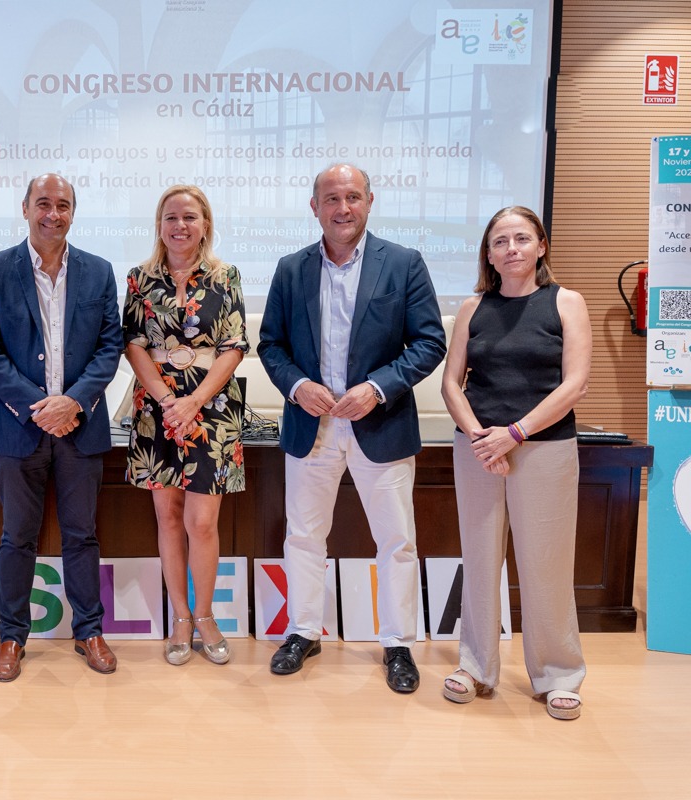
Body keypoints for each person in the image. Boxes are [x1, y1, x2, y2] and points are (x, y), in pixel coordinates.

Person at [258, 163, 446, 693]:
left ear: (369, 201)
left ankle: (398, 644)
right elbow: (270, 345)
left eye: (353, 197)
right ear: (314, 206)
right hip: (311, 427)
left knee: (395, 540)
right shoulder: (291, 268)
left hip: (379, 423)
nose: (344, 208)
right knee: (303, 537)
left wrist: (378, 387)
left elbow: (430, 342)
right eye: (332, 198)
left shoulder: (404, 264)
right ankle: (302, 631)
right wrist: (298, 386)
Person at [0, 173, 123, 682]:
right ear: (25, 208)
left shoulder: (99, 272)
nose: (52, 213)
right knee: (17, 537)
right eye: (43, 204)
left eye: (62, 205)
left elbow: (109, 348)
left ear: (73, 212)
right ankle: (12, 636)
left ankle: (89, 631)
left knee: (82, 534)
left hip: (82, 427)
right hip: (17, 427)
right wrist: (39, 406)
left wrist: (74, 404)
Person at [440, 206, 590, 720]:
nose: (511, 249)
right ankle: (476, 667)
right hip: (478, 449)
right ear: (489, 253)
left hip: (543, 448)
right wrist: (485, 439)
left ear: (541, 246)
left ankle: (558, 674)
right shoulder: (472, 307)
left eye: (521, 239)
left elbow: (575, 384)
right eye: (500, 241)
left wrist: (515, 435)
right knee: (480, 559)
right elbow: (450, 383)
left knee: (544, 563)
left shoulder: (566, 302)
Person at [122, 185, 247, 666]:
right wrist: (168, 399)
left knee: (202, 522)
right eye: (171, 217)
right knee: (168, 518)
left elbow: (234, 345)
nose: (180, 225)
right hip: (158, 410)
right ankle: (179, 617)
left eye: (190, 217)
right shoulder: (139, 278)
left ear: (206, 224)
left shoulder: (225, 275)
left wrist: (192, 400)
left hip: (210, 410)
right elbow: (133, 343)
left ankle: (205, 615)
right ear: (159, 225)